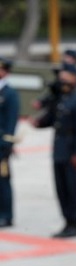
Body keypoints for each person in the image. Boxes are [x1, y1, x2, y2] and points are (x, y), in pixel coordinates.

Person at [31, 64, 76, 238]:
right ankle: (66, 220)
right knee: (61, 187)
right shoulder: (62, 97)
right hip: (59, 148)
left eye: (66, 76)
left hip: (71, 149)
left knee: (73, 187)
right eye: (62, 77)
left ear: (75, 78)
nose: (62, 80)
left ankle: (73, 223)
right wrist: (39, 123)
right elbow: (53, 118)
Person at [0, 57, 20, 228]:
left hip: (1, 144)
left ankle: (6, 215)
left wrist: (7, 143)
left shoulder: (9, 94)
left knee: (3, 180)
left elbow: (11, 121)